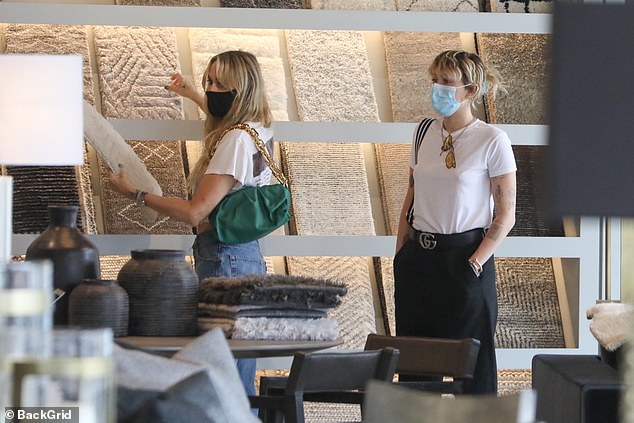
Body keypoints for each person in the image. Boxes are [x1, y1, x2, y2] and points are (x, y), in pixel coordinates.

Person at [108, 50, 274, 398]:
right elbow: (226, 121)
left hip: (223, 259)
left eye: (217, 84)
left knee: (223, 378)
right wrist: (192, 93)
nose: (210, 89)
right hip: (245, 257)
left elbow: (195, 212)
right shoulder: (257, 130)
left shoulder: (235, 141)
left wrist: (136, 194)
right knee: (236, 372)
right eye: (207, 81)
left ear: (238, 90)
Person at [393, 50, 517, 394]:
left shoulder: (492, 140)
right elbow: (412, 192)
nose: (437, 88)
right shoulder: (423, 132)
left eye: (446, 82)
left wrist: (476, 262)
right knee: (415, 366)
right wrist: (400, 251)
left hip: (464, 256)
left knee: (474, 368)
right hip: (418, 258)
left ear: (471, 90)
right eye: (434, 80)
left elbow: (506, 215)